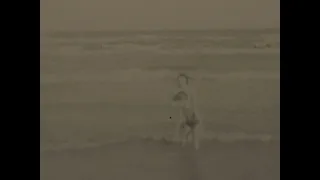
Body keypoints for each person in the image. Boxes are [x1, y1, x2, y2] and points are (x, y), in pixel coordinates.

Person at [171, 73, 202, 149]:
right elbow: (175, 103)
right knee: (187, 134)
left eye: (182, 80)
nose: (180, 82)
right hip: (187, 115)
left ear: (185, 81)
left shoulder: (189, 91)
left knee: (190, 134)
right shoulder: (180, 92)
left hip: (191, 114)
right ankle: (188, 149)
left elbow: (193, 104)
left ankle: (192, 149)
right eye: (179, 81)